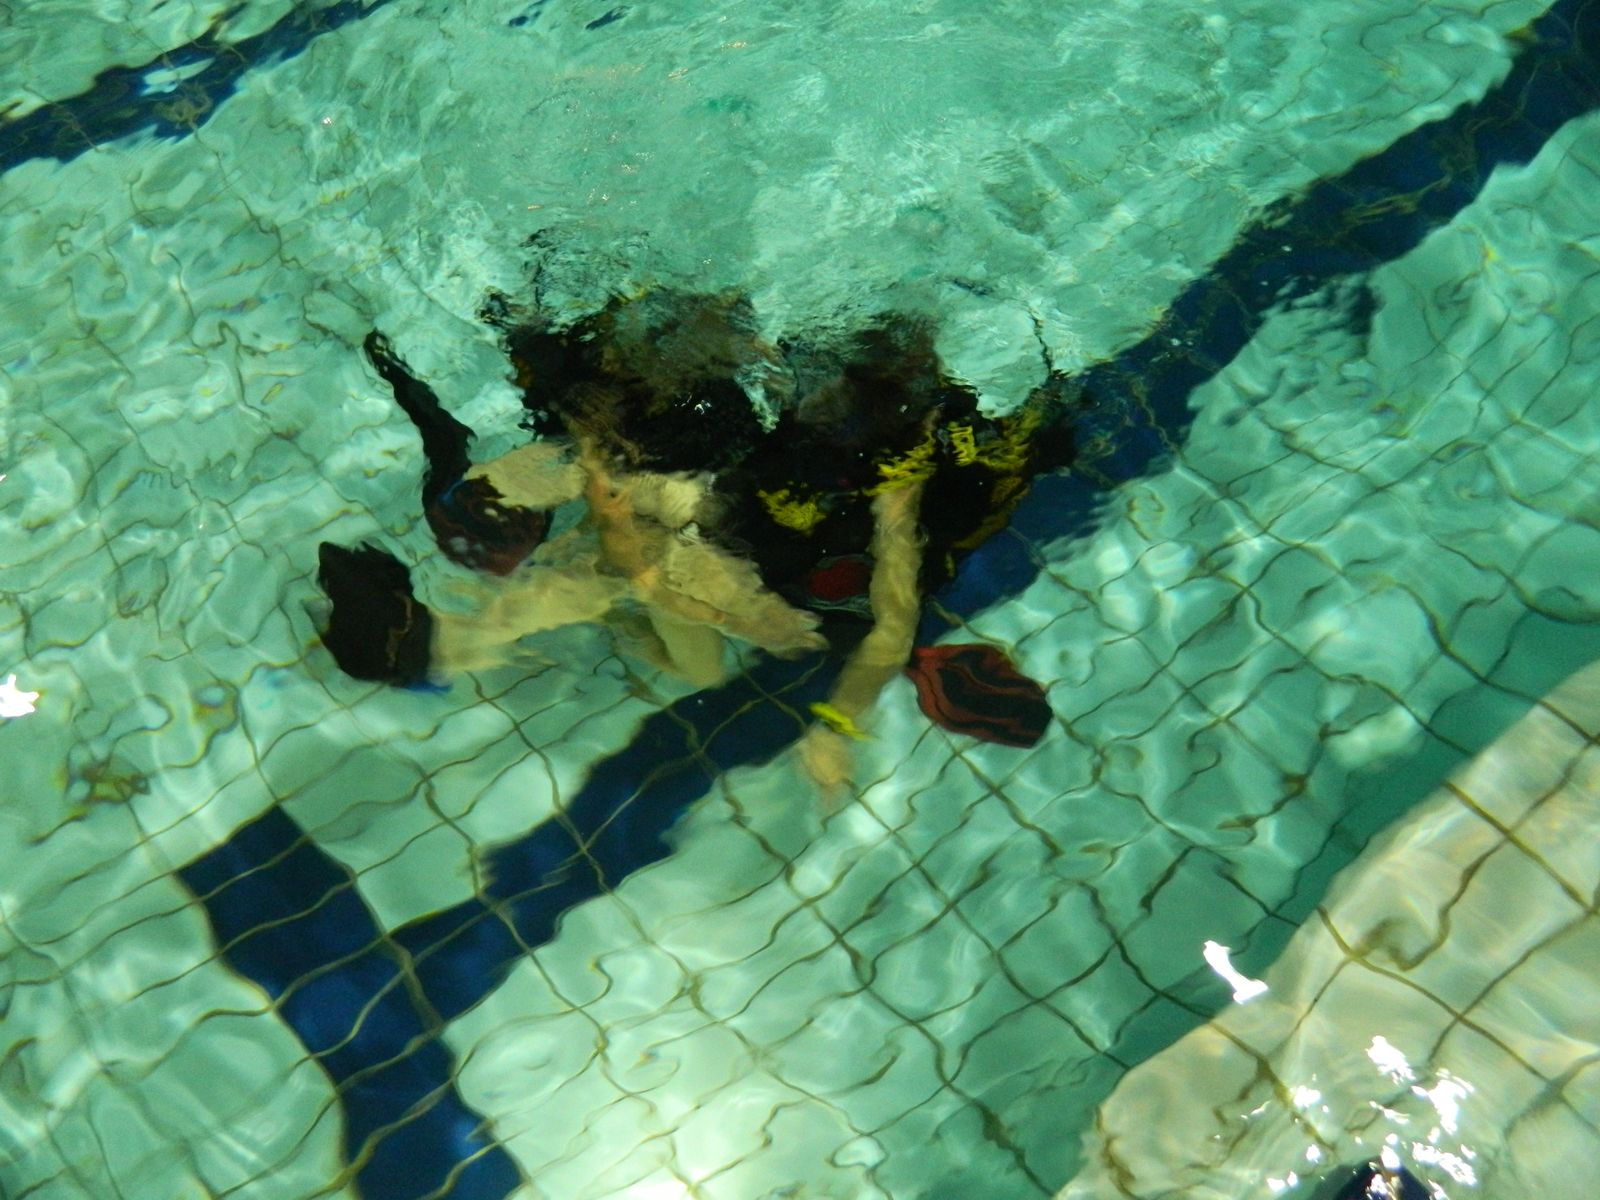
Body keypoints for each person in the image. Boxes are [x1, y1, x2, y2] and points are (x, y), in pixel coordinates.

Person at [317, 289, 1071, 789]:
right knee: (639, 558)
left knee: (693, 655)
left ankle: (463, 636)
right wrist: (655, 576)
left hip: (685, 524)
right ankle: (449, 642)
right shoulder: (888, 495)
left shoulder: (892, 490)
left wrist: (835, 721)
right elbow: (889, 615)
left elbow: (892, 621)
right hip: (669, 514)